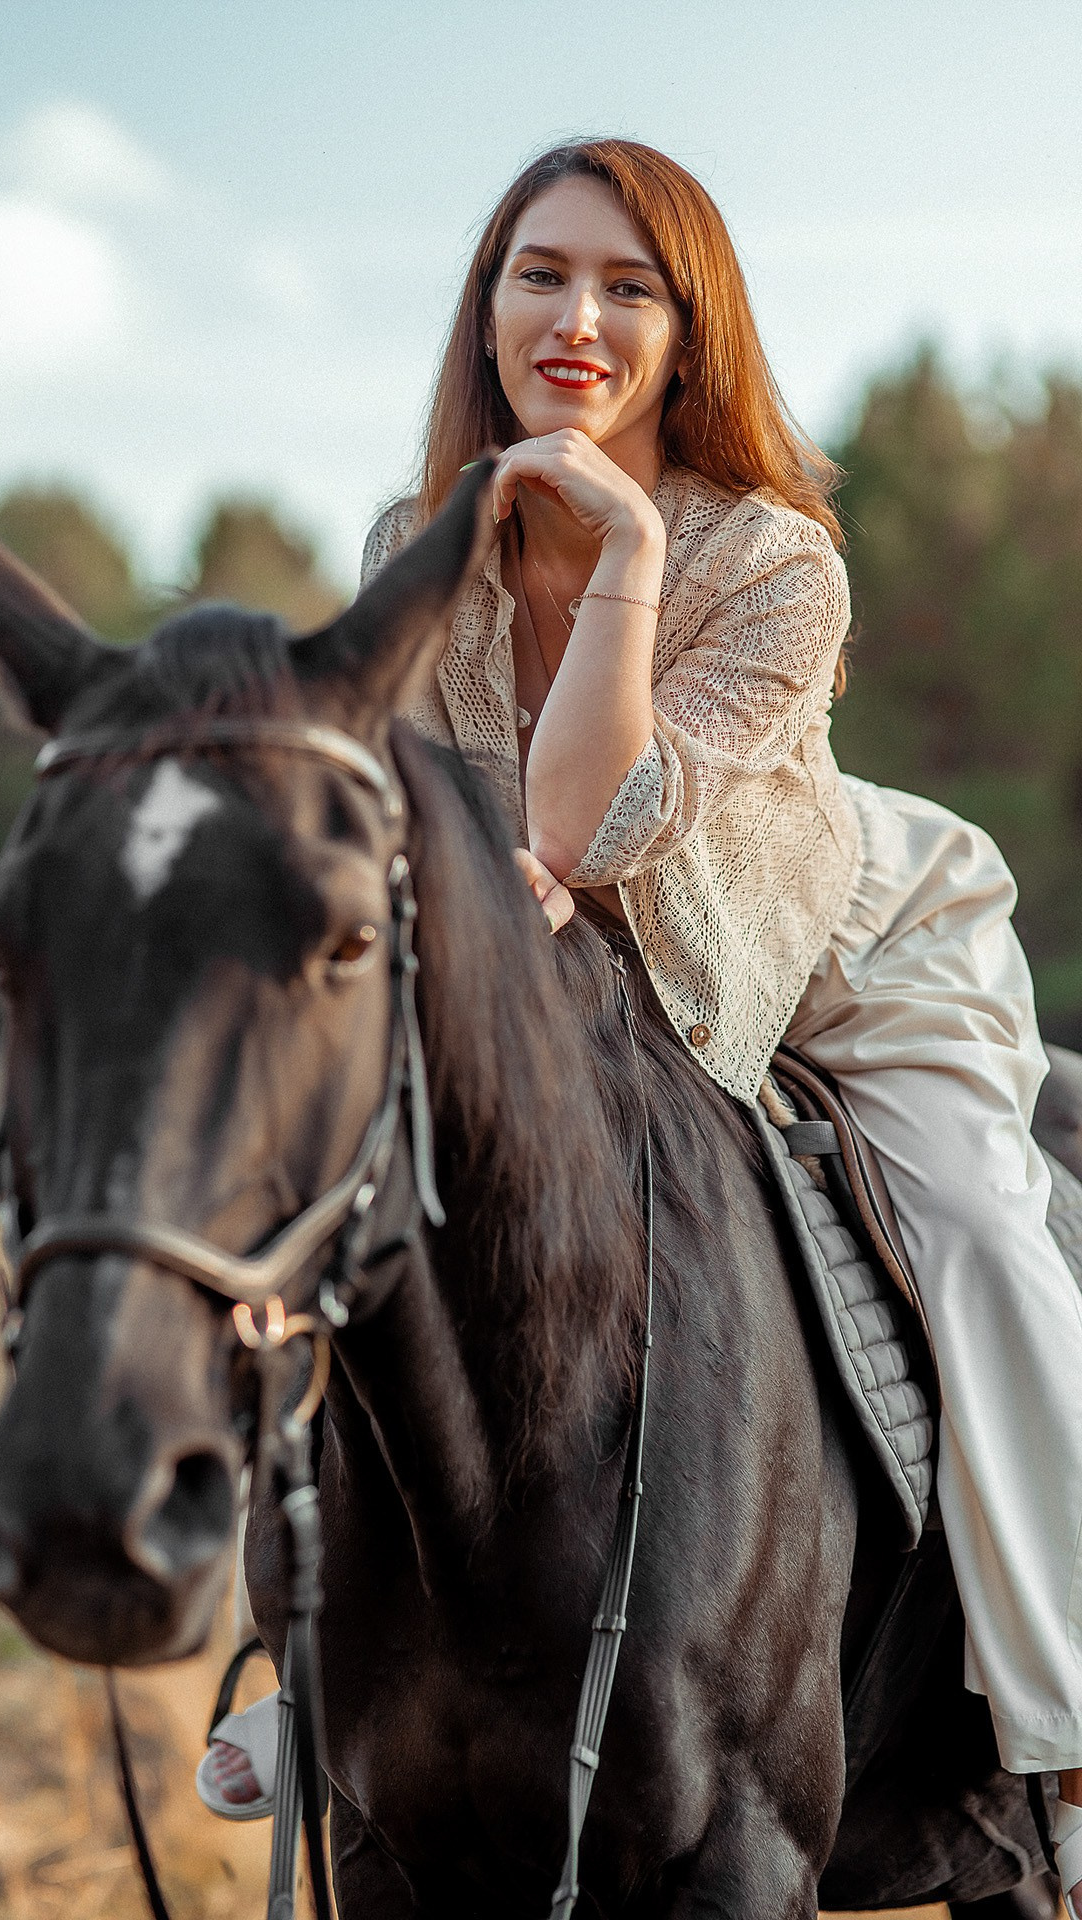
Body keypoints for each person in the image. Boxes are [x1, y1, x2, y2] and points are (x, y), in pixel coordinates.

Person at [198, 139, 1082, 1910]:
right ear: (487, 308)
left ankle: (1058, 1721)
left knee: (989, 1231)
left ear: (692, 332)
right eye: (540, 274)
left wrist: (621, 547)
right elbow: (421, 806)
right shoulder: (411, 545)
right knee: (315, 1192)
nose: (577, 318)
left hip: (815, 942)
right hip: (536, 966)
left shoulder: (772, 555)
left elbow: (603, 826)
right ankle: (318, 1667)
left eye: (628, 287)